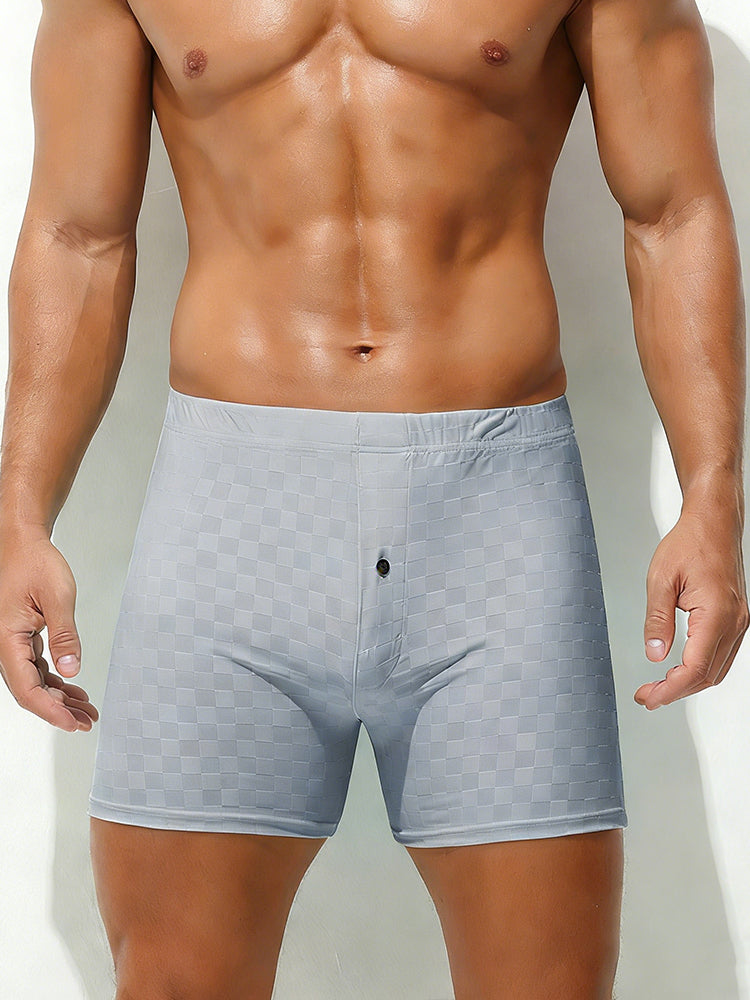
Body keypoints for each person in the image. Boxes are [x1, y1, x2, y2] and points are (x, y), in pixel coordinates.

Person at [0, 0, 746, 994]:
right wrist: (20, 515)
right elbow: (78, 234)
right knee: (174, 982)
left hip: (493, 525)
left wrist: (714, 497)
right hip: (231, 520)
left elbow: (674, 210)